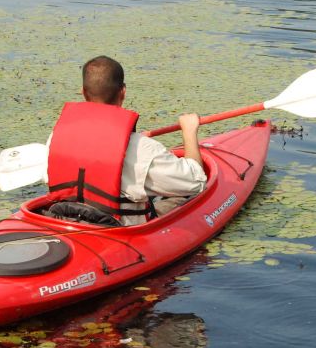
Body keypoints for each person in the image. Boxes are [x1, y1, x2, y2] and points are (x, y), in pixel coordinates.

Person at [44, 56, 206, 226]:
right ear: (123, 92)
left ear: (83, 92)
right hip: (119, 231)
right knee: (187, 195)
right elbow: (196, 182)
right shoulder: (141, 149)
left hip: (67, 221)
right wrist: (189, 132)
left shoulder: (56, 138)